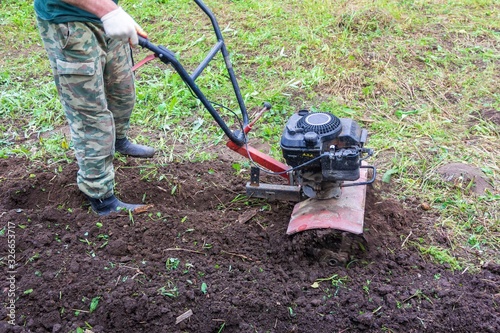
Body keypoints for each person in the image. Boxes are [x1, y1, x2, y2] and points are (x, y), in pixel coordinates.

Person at [34, 0, 154, 215]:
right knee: (90, 115)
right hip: (69, 22)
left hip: (105, 16)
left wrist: (112, 11)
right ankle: (101, 197)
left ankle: (118, 141)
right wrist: (108, 12)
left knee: (122, 93)